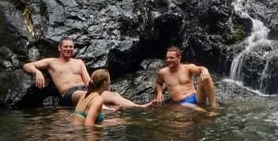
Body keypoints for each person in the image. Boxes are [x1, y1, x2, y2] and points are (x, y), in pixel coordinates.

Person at [23, 37, 151, 110]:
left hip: (86, 88)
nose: (68, 49)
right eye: (66, 47)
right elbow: (27, 65)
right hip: (69, 93)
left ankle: (139, 107)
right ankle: (109, 110)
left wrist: (99, 87)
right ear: (59, 48)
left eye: (71, 47)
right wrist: (37, 72)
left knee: (114, 95)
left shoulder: (79, 62)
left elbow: (89, 81)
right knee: (88, 96)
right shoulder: (51, 62)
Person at [150, 46, 217, 108]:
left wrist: (205, 70)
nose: (168, 60)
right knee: (187, 109)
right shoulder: (163, 72)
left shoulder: (187, 68)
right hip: (181, 102)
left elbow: (200, 68)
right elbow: (158, 83)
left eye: (171, 58)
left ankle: (214, 107)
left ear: (179, 58)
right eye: (167, 58)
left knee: (206, 77)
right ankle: (204, 112)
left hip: (196, 97)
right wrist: (159, 93)